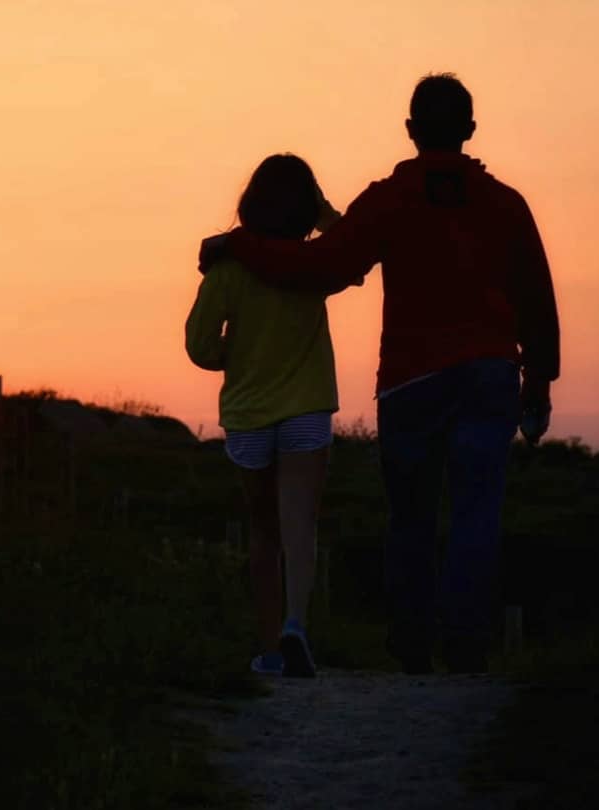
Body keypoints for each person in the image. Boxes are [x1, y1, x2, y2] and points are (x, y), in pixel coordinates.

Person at [199, 74, 560, 674]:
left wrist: (240, 246)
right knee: (476, 512)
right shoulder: (505, 204)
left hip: (411, 382)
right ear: (470, 130)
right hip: (491, 374)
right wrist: (538, 385)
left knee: (412, 516)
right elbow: (537, 302)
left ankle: (412, 646)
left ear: (412, 131)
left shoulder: (391, 198)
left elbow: (321, 264)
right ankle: (466, 648)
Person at [185, 153, 354, 678]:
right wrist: (323, 210)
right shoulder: (314, 264)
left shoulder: (227, 269)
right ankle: (296, 624)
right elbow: (354, 245)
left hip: (248, 414)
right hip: (305, 409)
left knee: (263, 531)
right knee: (299, 524)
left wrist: (229, 357)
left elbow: (198, 345)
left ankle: (269, 650)